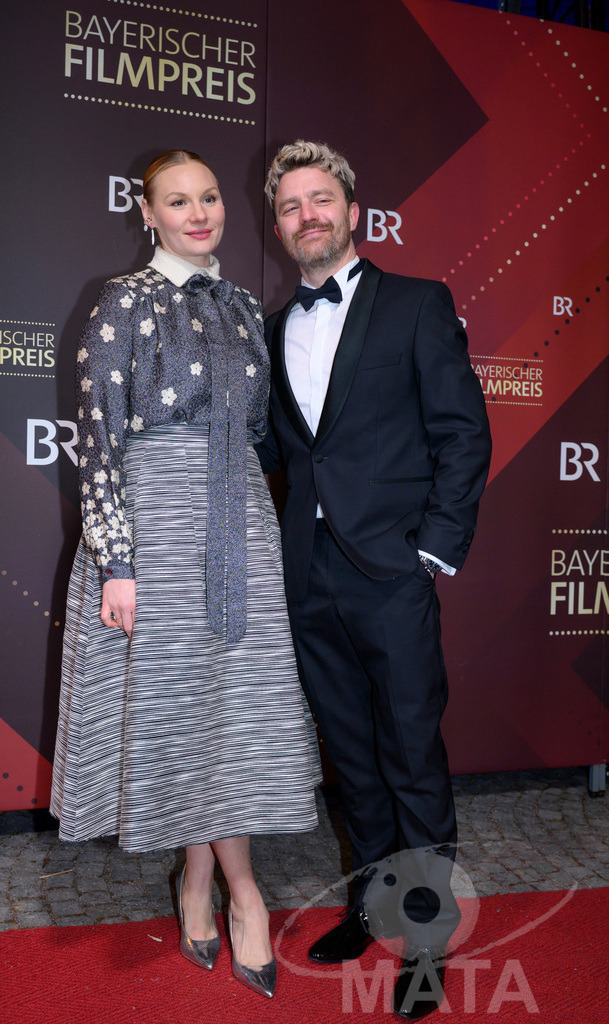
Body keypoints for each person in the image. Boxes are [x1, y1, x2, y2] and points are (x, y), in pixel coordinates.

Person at [50, 149, 321, 1001]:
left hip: (241, 522)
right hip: (155, 531)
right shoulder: (120, 304)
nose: (199, 212)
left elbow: (260, 435)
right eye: (178, 200)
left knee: (232, 713)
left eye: (208, 197)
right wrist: (117, 564)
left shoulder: (243, 305)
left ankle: (208, 883)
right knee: (180, 711)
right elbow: (97, 441)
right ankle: (236, 890)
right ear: (147, 212)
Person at [258, 140, 492, 1020]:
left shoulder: (418, 304)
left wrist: (432, 548)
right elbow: (283, 449)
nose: (305, 215)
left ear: (351, 211)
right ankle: (367, 907)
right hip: (309, 576)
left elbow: (463, 434)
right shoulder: (278, 328)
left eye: (319, 199)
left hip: (391, 573)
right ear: (277, 225)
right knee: (349, 760)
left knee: (410, 757)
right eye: (289, 206)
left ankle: (427, 940)